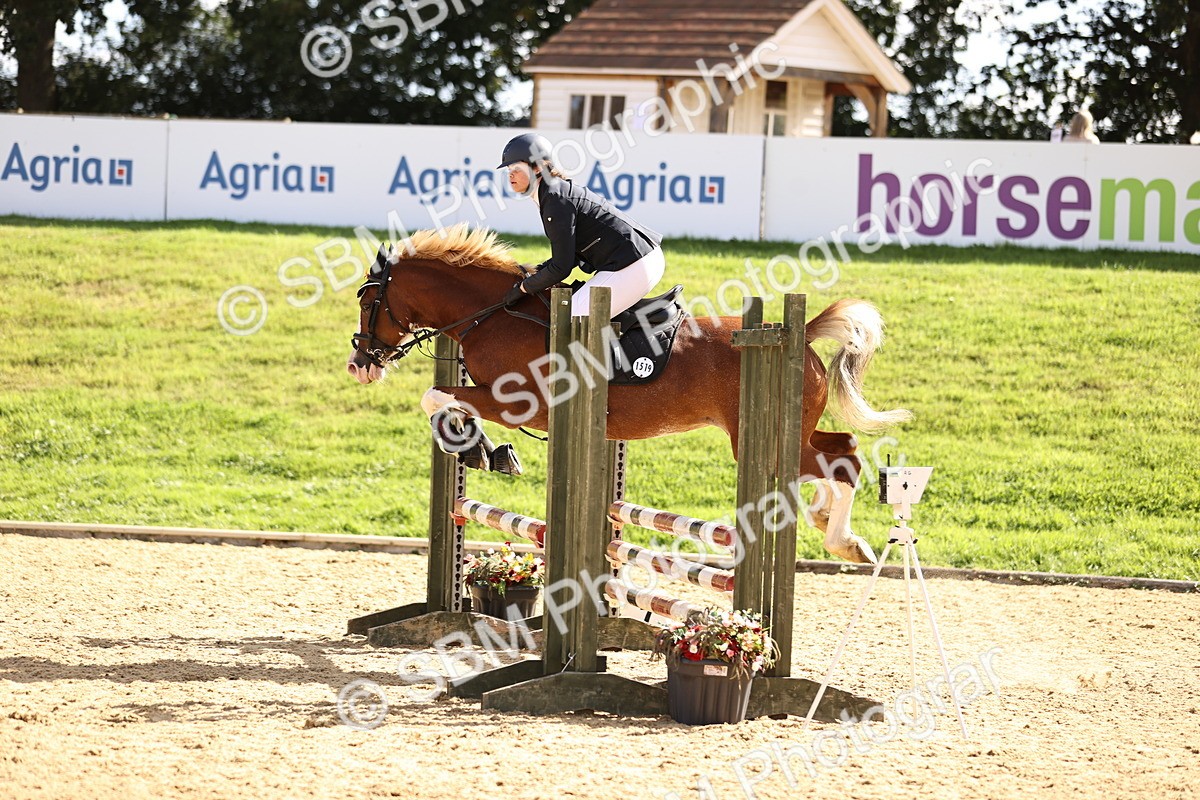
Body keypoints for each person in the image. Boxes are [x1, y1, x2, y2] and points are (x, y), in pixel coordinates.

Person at [496, 133, 665, 318]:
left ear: (538, 167)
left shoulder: (555, 198)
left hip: (634, 264)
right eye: (509, 169)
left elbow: (562, 267)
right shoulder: (550, 193)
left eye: (517, 168)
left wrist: (522, 288)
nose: (511, 174)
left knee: (572, 320)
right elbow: (571, 256)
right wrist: (535, 273)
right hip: (632, 260)